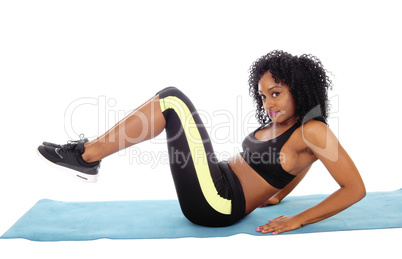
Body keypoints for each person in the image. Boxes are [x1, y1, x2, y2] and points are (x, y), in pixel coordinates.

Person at [37, 50, 366, 234]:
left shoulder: (314, 131)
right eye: (263, 96)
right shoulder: (295, 132)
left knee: (172, 100)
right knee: (169, 100)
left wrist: (298, 218)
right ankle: (87, 155)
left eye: (276, 93)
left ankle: (87, 156)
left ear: (301, 89)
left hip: (219, 203)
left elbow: (354, 189)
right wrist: (280, 195)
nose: (268, 103)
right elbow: (303, 161)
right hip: (217, 180)